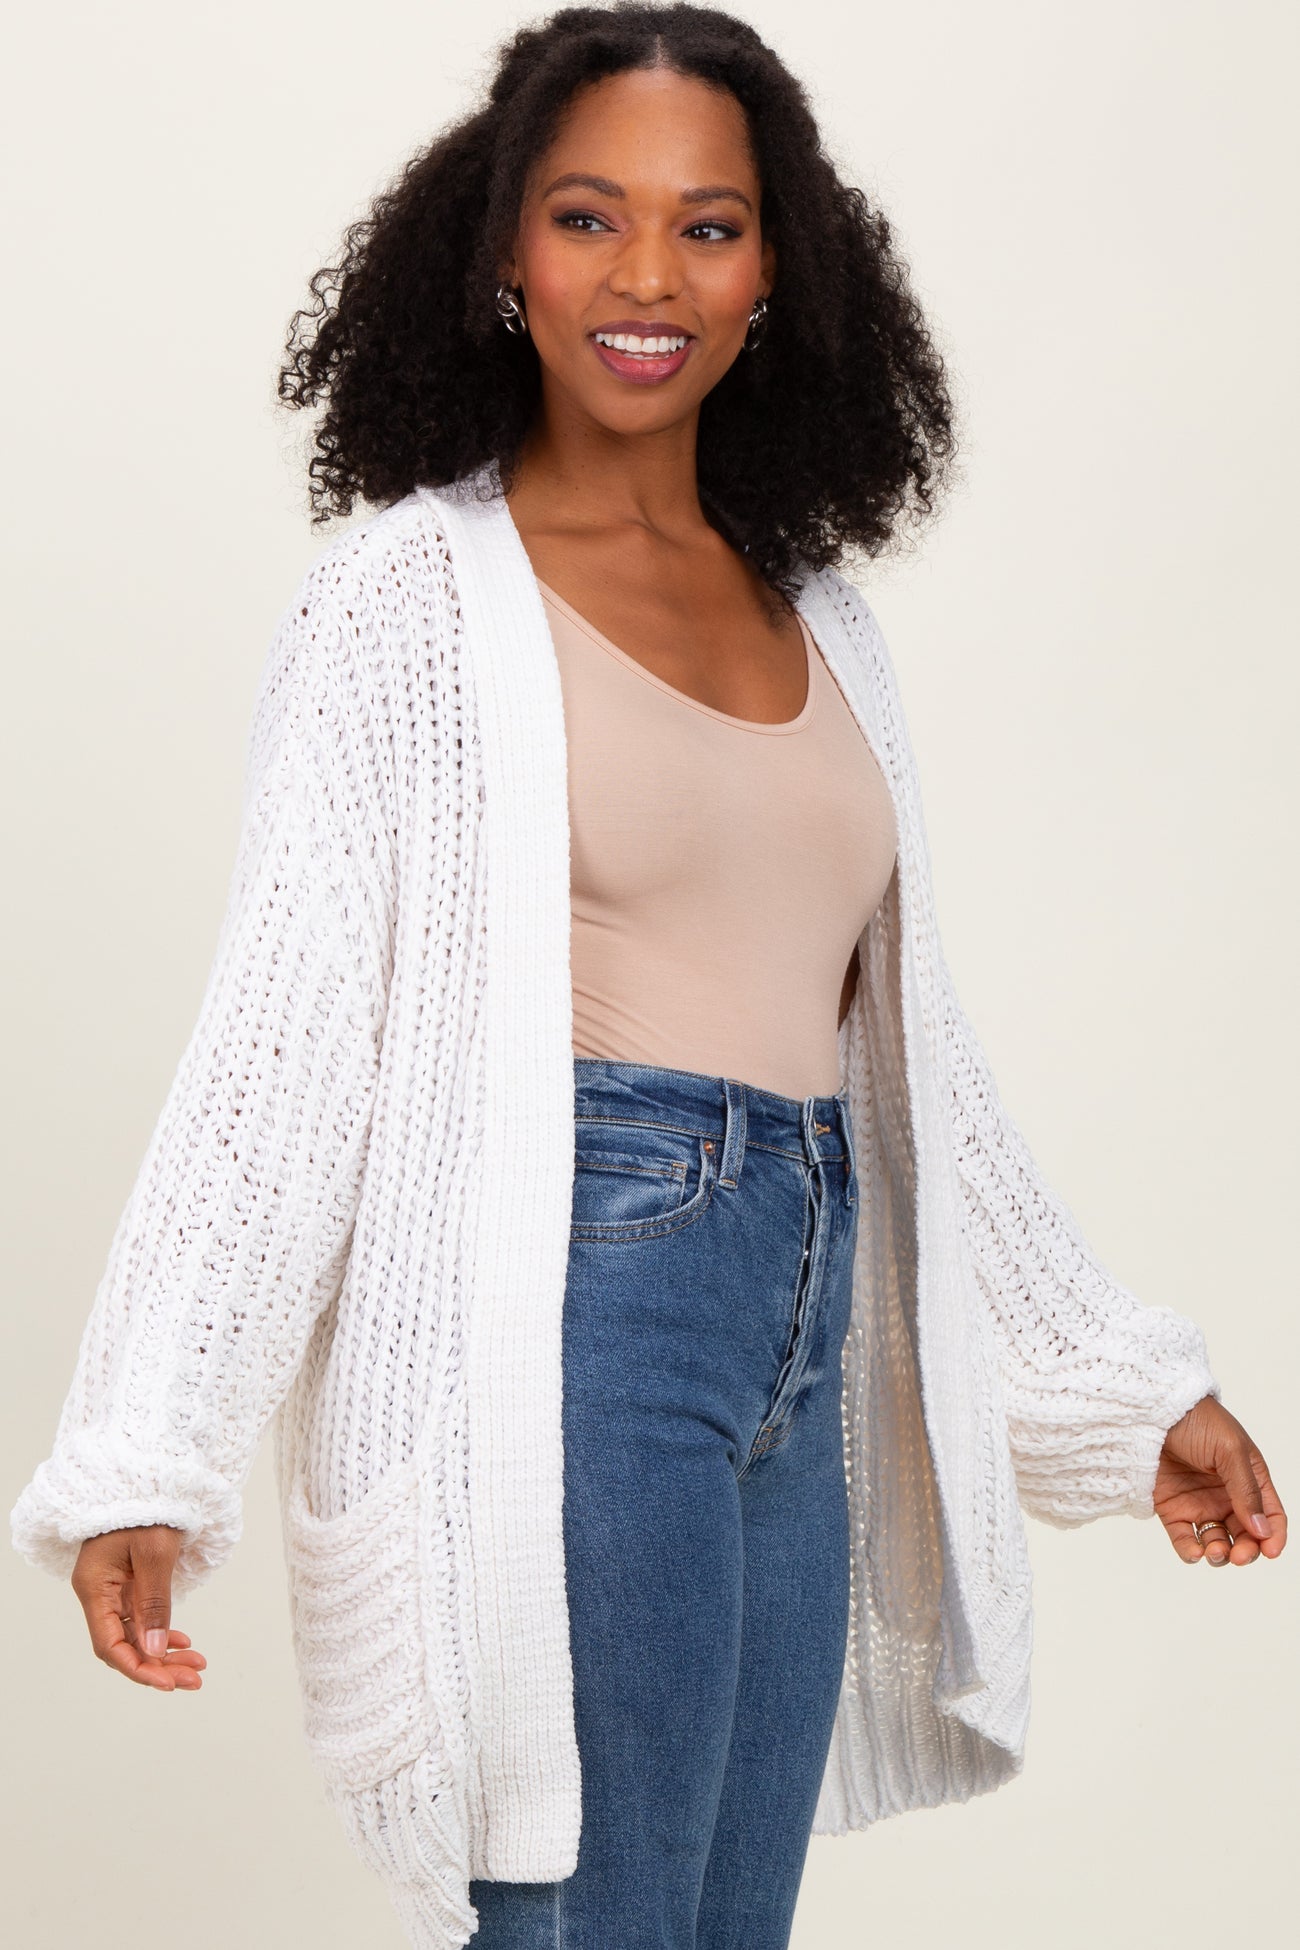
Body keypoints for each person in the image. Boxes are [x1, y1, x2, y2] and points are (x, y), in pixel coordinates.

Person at [11, 6, 1287, 1948]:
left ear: (775, 272)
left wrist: (1123, 1388)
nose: (645, 277)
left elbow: (912, 1077)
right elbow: (287, 1039)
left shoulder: (823, 617)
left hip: (803, 1321)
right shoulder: (407, 602)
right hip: (587, 1314)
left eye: (706, 226)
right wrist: (149, 1448)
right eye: (588, 215)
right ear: (504, 253)